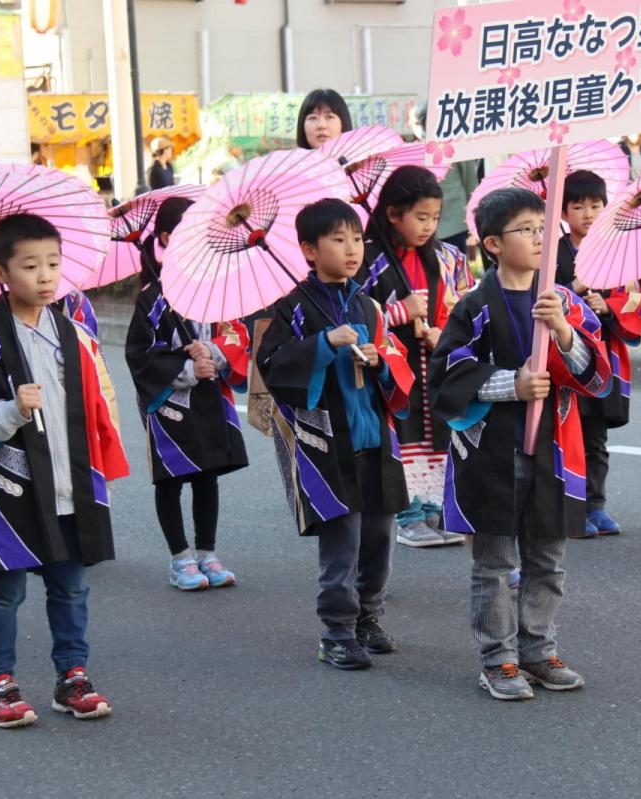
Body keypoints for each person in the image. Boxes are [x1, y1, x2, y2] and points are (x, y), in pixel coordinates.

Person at [0, 213, 129, 728]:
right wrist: (11, 410)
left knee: (71, 585)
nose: (45, 276)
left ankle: (72, 676)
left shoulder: (74, 333)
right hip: (10, 480)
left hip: (70, 478)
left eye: (53, 264)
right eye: (30, 265)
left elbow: (100, 403)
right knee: (6, 587)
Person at [428, 187, 612, 701]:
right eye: (525, 230)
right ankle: (498, 659)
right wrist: (512, 384)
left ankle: (539, 649)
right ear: (492, 243)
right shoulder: (473, 307)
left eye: (541, 229)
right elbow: (447, 376)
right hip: (493, 453)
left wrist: (563, 332)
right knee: (493, 563)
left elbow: (598, 376)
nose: (537, 238)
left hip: (554, 450)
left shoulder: (562, 300)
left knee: (547, 559)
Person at [258, 198, 414, 671]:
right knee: (342, 541)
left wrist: (380, 362)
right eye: (338, 240)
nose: (352, 250)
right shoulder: (290, 309)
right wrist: (325, 343)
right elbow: (273, 367)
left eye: (356, 240)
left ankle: (369, 616)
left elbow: (397, 361)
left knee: (379, 540)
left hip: (375, 438)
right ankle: (338, 631)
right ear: (308, 249)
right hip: (326, 443)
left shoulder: (368, 305)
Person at [126, 197, 250, 590]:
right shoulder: (151, 298)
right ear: (165, 238)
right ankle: (180, 557)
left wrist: (213, 351)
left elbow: (235, 331)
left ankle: (207, 553)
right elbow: (139, 354)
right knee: (171, 478)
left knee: (207, 473)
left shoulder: (214, 287)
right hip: (171, 403)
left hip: (210, 394)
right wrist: (185, 369)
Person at [361, 165, 472, 548]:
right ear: (393, 213)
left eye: (435, 218)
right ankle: (406, 512)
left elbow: (460, 305)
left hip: (432, 364)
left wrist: (443, 333)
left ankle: (430, 507)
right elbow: (355, 312)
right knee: (400, 434)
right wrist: (396, 313)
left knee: (433, 435)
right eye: (420, 217)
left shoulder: (445, 257)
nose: (428, 226)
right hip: (393, 370)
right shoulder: (369, 258)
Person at [555, 170, 641, 537]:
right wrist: (573, 289)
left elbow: (636, 297)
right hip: (564, 360)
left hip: (602, 358)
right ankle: (568, 508)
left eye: (596, 205)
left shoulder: (617, 252)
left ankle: (596, 505)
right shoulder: (553, 253)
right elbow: (540, 295)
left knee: (595, 438)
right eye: (578, 207)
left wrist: (606, 305)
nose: (588, 214)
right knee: (565, 435)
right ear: (563, 213)